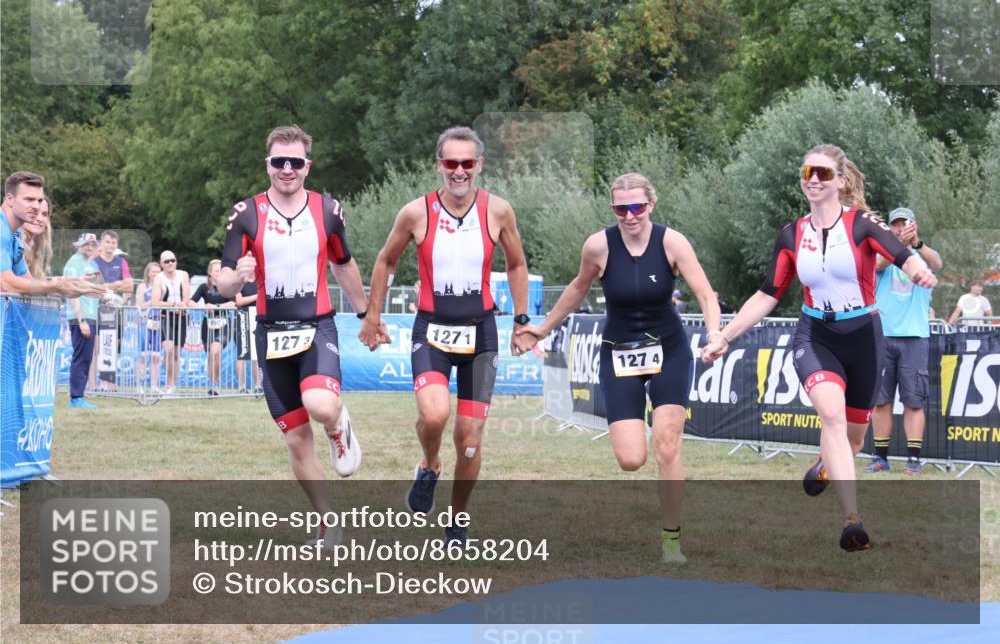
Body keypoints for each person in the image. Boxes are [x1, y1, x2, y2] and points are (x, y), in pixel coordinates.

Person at [701, 144, 936, 552]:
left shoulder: (862, 223)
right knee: (830, 415)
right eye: (809, 171)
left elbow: (899, 254)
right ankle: (852, 521)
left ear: (840, 181)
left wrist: (917, 270)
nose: (814, 179)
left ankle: (828, 463)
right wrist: (724, 334)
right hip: (816, 336)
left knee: (854, 439)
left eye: (824, 173)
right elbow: (768, 294)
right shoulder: (791, 235)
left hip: (864, 336)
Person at [516, 172, 722, 563]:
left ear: (651, 206)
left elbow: (705, 293)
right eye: (620, 208)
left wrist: (714, 333)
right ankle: (644, 436)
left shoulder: (672, 242)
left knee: (666, 444)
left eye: (637, 207)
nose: (629, 215)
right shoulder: (598, 246)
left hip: (669, 351)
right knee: (631, 459)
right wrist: (541, 330)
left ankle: (672, 541)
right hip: (618, 353)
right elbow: (578, 289)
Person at [358, 125, 533, 547]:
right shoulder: (416, 213)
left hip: (481, 336)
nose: (459, 171)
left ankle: (457, 520)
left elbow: (516, 264)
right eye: (451, 163)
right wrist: (372, 315)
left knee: (469, 439)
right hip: (431, 333)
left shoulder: (499, 211)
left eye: (467, 163)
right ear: (439, 165)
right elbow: (385, 262)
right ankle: (431, 466)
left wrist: (522, 319)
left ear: (479, 166)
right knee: (434, 416)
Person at [217, 124, 375, 547]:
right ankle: (328, 524)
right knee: (295, 437)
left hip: (316, 325)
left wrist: (365, 313)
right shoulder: (245, 214)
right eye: (278, 162)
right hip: (270, 334)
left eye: (295, 162)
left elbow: (343, 264)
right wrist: (238, 277)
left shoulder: (328, 211)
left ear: (308, 166)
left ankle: (339, 423)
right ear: (267, 164)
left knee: (320, 405)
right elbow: (226, 283)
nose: (287, 169)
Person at [865, 207, 943, 476]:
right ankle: (880, 457)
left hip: (915, 337)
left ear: (914, 226)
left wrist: (917, 244)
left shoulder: (922, 255)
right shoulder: (881, 254)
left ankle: (913, 459)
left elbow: (937, 264)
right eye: (895, 225)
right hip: (883, 335)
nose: (900, 229)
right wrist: (896, 245)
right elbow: (876, 265)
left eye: (904, 224)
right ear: (888, 229)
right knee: (881, 401)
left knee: (914, 401)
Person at [1, 171, 102, 298]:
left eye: (39, 200)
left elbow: (28, 283)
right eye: (29, 199)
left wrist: (68, 284)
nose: (36, 206)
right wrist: (56, 285)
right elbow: (5, 284)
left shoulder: (16, 235)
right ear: (10, 199)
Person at [63, 233, 102, 409]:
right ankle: (76, 397)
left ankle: (79, 395)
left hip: (89, 315)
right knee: (81, 357)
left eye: (93, 244)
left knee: (86, 357)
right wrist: (81, 320)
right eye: (87, 244)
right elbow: (72, 293)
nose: (90, 247)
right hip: (81, 317)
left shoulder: (87, 264)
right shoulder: (74, 264)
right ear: (79, 245)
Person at [191, 259, 236, 396]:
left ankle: (216, 384)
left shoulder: (227, 287)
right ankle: (211, 385)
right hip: (207, 326)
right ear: (210, 272)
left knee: (216, 352)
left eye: (222, 270)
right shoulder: (204, 287)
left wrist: (217, 307)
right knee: (211, 356)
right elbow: (190, 302)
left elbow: (233, 303)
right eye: (217, 270)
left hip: (223, 325)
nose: (220, 273)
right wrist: (204, 306)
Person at [151, 250, 191, 394]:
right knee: (167, 350)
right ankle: (169, 384)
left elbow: (186, 296)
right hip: (166, 316)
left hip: (181, 317)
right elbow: (155, 302)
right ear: (161, 264)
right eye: (167, 261)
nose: (170, 264)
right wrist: (174, 305)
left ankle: (173, 384)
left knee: (176, 354)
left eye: (172, 260)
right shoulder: (159, 278)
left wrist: (183, 305)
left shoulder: (183, 275)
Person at [135, 261, 163, 392]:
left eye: (158, 272)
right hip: (145, 324)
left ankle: (154, 386)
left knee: (156, 357)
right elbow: (139, 305)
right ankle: (140, 385)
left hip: (158, 324)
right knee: (143, 356)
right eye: (154, 272)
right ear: (148, 273)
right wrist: (152, 302)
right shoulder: (142, 286)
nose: (156, 274)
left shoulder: (163, 287)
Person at [234, 281, 261, 393]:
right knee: (242, 354)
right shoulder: (241, 282)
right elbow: (239, 301)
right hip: (243, 317)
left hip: (258, 318)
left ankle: (258, 386)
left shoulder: (260, 282)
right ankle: (241, 387)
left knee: (256, 355)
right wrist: (258, 296)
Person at [22, 195, 52, 279]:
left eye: (44, 214)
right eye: (35, 212)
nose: (40, 219)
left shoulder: (34, 245)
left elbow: (36, 282)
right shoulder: (11, 241)